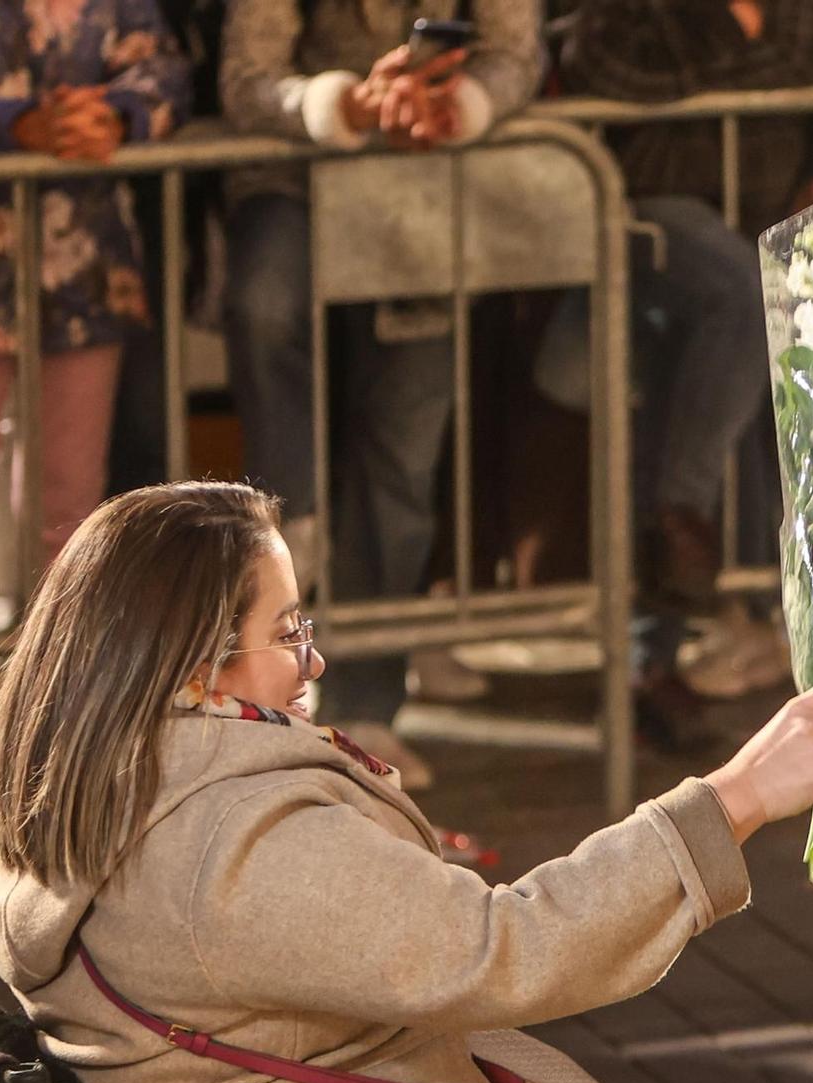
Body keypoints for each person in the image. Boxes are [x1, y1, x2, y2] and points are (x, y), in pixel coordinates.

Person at [0, 480, 813, 1083]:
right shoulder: (230, 833)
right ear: (189, 668)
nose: (314, 658)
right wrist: (737, 794)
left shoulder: (73, 779)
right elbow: (510, 945)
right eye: (288, 631)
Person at [0, 0, 190, 846]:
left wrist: (117, 114)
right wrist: (13, 122)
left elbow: (165, 70)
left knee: (74, 517)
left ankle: (61, 749)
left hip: (82, 255)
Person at [219, 0, 544, 788]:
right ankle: (293, 528)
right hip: (291, 178)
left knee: (403, 444)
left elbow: (517, 54)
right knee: (264, 301)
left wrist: (453, 104)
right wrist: (343, 105)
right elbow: (247, 77)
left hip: (428, 192)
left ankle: (366, 706)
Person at [544, 0, 813, 750]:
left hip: (764, 212)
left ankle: (656, 651)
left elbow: (802, 63)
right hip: (646, 209)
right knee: (738, 297)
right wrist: (734, 37)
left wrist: (694, 47)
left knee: (689, 385)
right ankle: (679, 534)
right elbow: (607, 68)